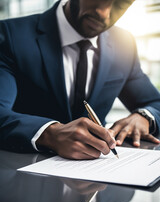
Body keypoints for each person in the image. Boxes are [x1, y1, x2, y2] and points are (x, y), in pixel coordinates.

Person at [0, 0, 160, 158]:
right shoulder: (10, 35)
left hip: (98, 172)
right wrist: (49, 134)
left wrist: (144, 117)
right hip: (24, 173)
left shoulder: (124, 43)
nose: (103, 14)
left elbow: (155, 103)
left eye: (121, 4)